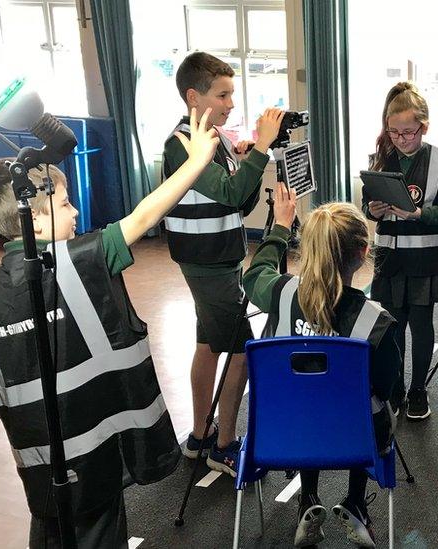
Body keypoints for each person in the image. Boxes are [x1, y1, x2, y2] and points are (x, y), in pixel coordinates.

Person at [0, 109, 220, 547]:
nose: (75, 212)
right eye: (64, 204)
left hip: (42, 470)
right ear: (33, 219)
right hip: (95, 462)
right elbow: (143, 219)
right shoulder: (77, 262)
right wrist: (197, 162)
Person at [243, 188, 401, 548]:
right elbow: (387, 388)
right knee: (366, 405)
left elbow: (252, 277)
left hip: (282, 434)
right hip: (354, 439)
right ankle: (356, 503)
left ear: (308, 247)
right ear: (363, 253)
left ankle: (307, 500)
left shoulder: (280, 293)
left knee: (307, 398)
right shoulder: (376, 322)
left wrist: (280, 226)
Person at [162, 51, 284, 476]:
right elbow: (231, 194)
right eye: (223, 94)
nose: (232, 103)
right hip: (206, 264)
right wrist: (261, 150)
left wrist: (251, 155)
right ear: (194, 97)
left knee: (208, 345)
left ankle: (200, 436)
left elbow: (240, 200)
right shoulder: (181, 145)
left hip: (221, 259)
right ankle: (225, 445)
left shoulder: (219, 140)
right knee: (241, 354)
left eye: (232, 93)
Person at [362, 82, 438, 421]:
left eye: (408, 132)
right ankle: (395, 388)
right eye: (394, 132)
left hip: (424, 262)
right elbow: (367, 206)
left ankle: (418, 388)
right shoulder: (381, 157)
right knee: (392, 328)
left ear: (424, 127)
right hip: (390, 261)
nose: (401, 139)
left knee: (421, 327)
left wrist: (419, 214)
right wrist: (373, 210)